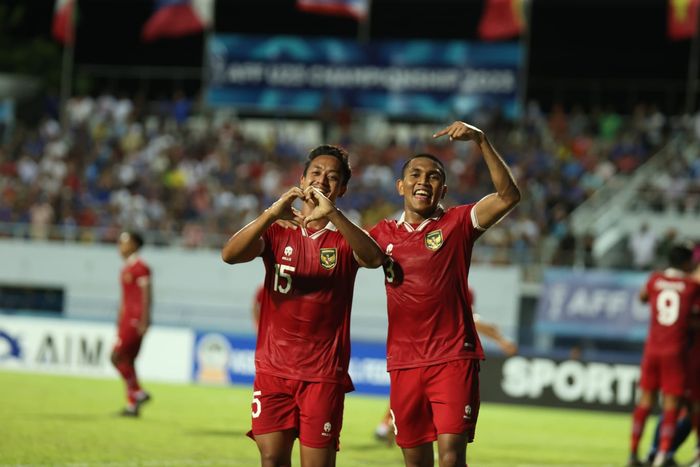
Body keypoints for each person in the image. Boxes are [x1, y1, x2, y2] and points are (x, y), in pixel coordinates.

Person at [221, 145, 384, 467]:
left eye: (333, 177)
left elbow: (375, 259)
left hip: (322, 374)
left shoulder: (344, 238)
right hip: (273, 370)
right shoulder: (279, 232)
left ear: (342, 189)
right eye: (316, 173)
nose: (323, 181)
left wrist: (334, 215)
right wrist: (269, 214)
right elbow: (229, 255)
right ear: (302, 179)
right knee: (271, 460)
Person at [369, 121, 521, 467]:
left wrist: (481, 141)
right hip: (405, 362)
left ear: (444, 189)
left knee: (451, 457)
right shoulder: (381, 233)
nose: (424, 181)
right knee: (415, 461)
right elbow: (345, 254)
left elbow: (509, 196)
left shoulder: (458, 222)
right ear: (400, 186)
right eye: (416, 174)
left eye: (433, 176)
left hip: (453, 358)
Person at [374, 288, 518, 447]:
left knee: (410, 397)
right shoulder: (457, 290)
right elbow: (475, 321)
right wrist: (502, 341)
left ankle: (389, 426)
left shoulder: (449, 290)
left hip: (423, 354)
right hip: (439, 358)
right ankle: (392, 426)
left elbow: (474, 319)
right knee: (418, 400)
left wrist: (500, 339)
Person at [627, 244, 700, 467]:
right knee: (672, 404)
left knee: (645, 402)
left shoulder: (654, 280)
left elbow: (642, 297)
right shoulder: (690, 286)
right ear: (688, 263)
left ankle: (632, 454)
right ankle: (662, 455)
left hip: (652, 349)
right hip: (675, 350)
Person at [111, 231, 152, 417]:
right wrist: (119, 320)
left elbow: (146, 295)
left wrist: (144, 320)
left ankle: (137, 391)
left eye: (124, 242)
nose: (121, 246)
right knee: (128, 361)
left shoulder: (141, 268)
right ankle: (132, 405)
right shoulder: (125, 268)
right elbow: (124, 299)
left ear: (135, 245)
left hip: (135, 320)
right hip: (126, 320)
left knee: (116, 357)